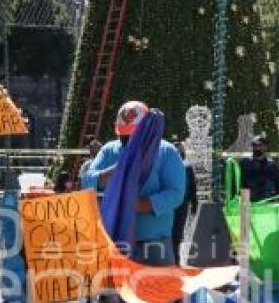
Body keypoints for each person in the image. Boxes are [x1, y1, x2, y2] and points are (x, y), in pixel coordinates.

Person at [81, 101, 185, 266]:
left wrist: (140, 205)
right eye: (124, 136)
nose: (128, 141)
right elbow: (86, 181)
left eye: (133, 136)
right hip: (114, 243)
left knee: (157, 290)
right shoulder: (109, 151)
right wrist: (111, 173)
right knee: (113, 292)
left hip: (154, 245)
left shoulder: (166, 152)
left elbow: (175, 193)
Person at [172, 142, 198, 266]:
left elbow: (192, 186)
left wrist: (194, 203)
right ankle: (173, 261)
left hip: (182, 205)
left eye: (180, 149)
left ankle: (176, 262)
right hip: (171, 205)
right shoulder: (168, 166)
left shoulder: (187, 167)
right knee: (171, 234)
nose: (179, 151)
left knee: (177, 234)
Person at [240, 135, 279, 202]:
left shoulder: (272, 165)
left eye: (260, 145)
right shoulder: (245, 163)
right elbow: (239, 182)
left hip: (267, 202)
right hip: (248, 202)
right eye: (255, 145)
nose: (257, 148)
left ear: (266, 147)